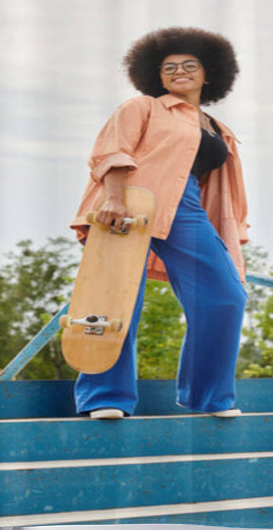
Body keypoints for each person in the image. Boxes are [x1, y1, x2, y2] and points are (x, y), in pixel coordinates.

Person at [70, 26, 249, 420]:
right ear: (155, 73)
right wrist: (114, 199)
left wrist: (230, 233)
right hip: (131, 200)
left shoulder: (218, 130)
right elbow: (110, 152)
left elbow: (219, 190)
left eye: (190, 65)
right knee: (114, 299)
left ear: (209, 73)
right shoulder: (142, 108)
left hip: (185, 209)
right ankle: (105, 397)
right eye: (169, 67)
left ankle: (210, 397)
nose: (179, 71)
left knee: (226, 296)